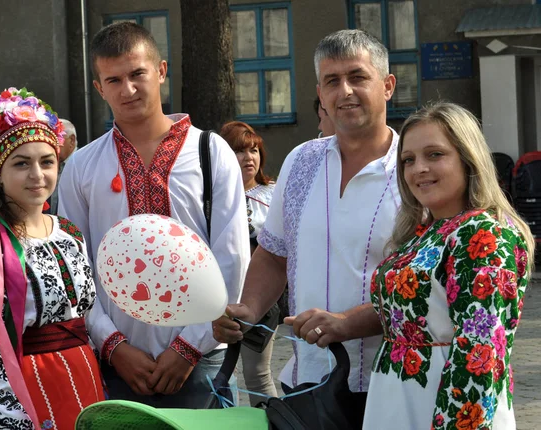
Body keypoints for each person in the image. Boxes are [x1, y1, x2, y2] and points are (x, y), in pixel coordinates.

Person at [59, 22, 250, 408]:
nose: (127, 89)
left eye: (137, 74)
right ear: (99, 88)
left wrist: (188, 348)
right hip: (116, 365)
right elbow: (75, 269)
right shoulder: (82, 166)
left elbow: (232, 260)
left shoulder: (211, 153)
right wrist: (112, 346)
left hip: (201, 363)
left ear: (161, 71)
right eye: (113, 80)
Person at [213, 28, 399, 404]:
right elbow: (273, 254)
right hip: (308, 380)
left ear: (388, 86)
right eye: (332, 81)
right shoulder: (302, 161)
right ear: (320, 95)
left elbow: (425, 287)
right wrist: (247, 310)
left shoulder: (413, 170)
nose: (344, 90)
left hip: (393, 381)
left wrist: (348, 323)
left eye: (358, 77)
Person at [362, 102, 535, 429]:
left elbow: (480, 355)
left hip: (445, 409)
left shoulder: (484, 235)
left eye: (435, 154)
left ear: (468, 160)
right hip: (400, 403)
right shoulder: (428, 232)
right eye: (408, 160)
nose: (418, 169)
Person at [0, 87, 104, 429]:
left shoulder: (69, 232)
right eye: (22, 163)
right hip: (25, 393)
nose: (37, 175)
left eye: (47, 161)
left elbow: (86, 316)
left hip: (85, 381)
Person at [220, 121, 277, 406]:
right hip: (218, 300)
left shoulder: (274, 195)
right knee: (220, 375)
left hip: (261, 301)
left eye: (254, 150)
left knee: (257, 374)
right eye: (240, 151)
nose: (249, 158)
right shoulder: (210, 198)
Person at [45, 118, 77, 215]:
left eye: (56, 139)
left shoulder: (83, 164)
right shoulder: (48, 163)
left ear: (71, 140)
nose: (50, 144)